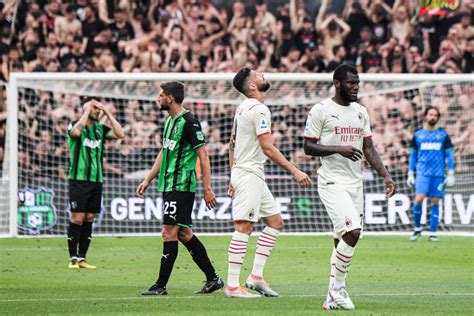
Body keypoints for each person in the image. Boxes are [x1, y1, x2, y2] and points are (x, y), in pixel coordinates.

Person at [303, 64, 396, 310]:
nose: (355, 87)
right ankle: (338, 290)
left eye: (357, 83)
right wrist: (337, 148)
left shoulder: (360, 112)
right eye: (351, 82)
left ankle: (331, 296)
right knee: (352, 232)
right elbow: (308, 147)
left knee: (342, 238)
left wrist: (385, 175)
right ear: (337, 83)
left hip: (356, 183)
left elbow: (369, 148)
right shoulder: (321, 110)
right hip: (331, 181)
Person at [225, 68, 312, 298]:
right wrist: (295, 170)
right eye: (257, 74)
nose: (262, 74)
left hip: (248, 173)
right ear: (252, 86)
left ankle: (255, 277)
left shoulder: (242, 107)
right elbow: (267, 147)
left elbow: (232, 143)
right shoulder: (259, 109)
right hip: (250, 173)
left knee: (274, 222)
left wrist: (233, 173)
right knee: (244, 226)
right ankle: (232, 286)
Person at [137, 81, 223, 296]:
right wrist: (148, 179)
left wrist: (208, 188)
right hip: (168, 184)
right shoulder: (169, 121)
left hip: (181, 185)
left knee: (169, 233)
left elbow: (203, 155)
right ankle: (213, 279)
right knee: (184, 233)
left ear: (170, 98)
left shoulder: (189, 122)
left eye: (160, 95)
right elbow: (164, 152)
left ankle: (160, 285)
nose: (158, 98)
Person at [67, 99, 124, 269]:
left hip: (96, 180)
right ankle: (73, 259)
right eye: (94, 108)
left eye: (98, 109)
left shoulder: (101, 129)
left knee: (90, 218)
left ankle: (82, 258)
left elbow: (120, 134)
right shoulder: (74, 125)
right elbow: (76, 134)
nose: (97, 111)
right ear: (85, 109)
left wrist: (107, 112)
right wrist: (86, 112)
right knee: (77, 218)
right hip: (78, 180)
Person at [407, 106, 455, 242]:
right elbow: (413, 156)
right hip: (422, 174)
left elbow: (449, 155)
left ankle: (433, 232)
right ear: (425, 116)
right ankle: (417, 229)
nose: (433, 117)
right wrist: (410, 173)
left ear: (437, 118)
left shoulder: (443, 135)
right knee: (419, 199)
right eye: (430, 114)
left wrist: (451, 173)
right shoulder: (418, 135)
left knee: (435, 201)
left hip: (438, 174)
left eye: (435, 115)